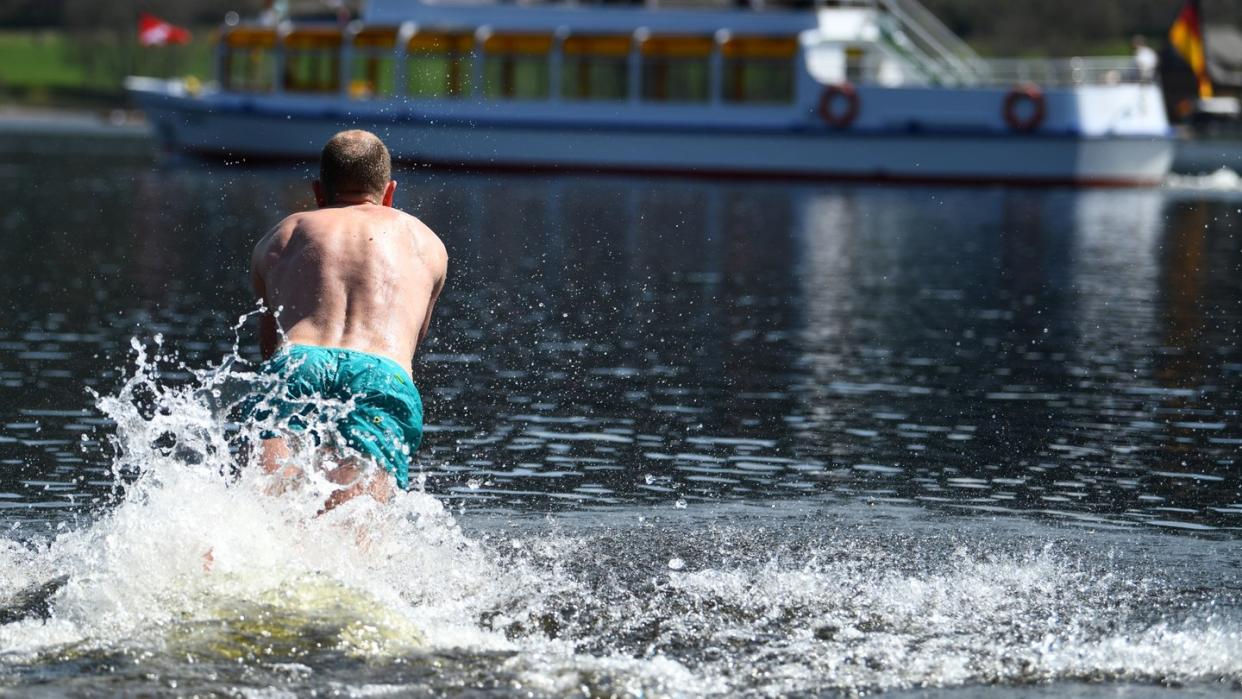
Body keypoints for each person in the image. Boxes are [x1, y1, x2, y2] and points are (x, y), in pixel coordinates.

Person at [247, 129, 448, 509]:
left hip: (299, 362)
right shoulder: (425, 241)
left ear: (318, 193)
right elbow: (412, 344)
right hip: (381, 372)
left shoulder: (285, 233)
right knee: (355, 531)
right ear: (389, 193)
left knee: (263, 508)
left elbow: (270, 347)